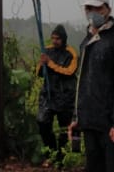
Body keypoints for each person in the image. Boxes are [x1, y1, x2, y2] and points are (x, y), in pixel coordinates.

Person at [69, 0, 114, 172]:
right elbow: (82, 83)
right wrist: (77, 117)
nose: (93, 12)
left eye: (98, 7)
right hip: (90, 122)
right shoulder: (88, 41)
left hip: (110, 124)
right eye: (89, 8)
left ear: (108, 9)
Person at [36, 24, 78, 162]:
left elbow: (70, 72)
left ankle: (62, 157)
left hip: (65, 95)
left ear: (63, 39)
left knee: (64, 128)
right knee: (42, 122)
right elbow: (39, 73)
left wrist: (50, 64)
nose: (55, 41)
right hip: (49, 94)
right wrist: (42, 64)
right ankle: (51, 151)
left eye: (58, 39)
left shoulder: (71, 53)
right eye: (53, 38)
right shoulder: (47, 50)